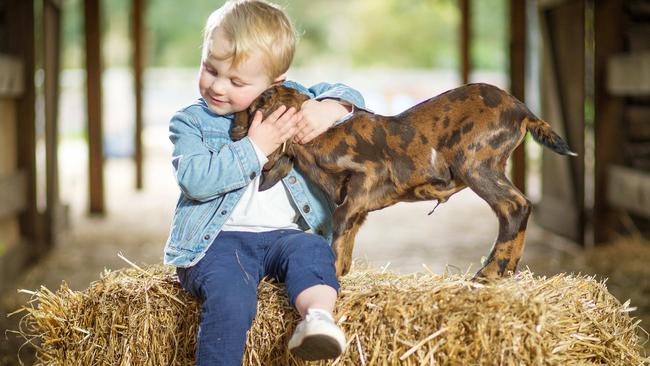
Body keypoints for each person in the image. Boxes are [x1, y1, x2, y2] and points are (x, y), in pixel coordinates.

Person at [162, 1, 365, 365]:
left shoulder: (292, 101)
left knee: (313, 254)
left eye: (237, 81)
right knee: (231, 296)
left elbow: (351, 95)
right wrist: (255, 148)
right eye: (210, 69)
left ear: (275, 83)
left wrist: (328, 108)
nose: (218, 86)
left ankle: (317, 319)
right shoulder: (190, 122)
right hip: (219, 243)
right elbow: (195, 180)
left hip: (284, 235)